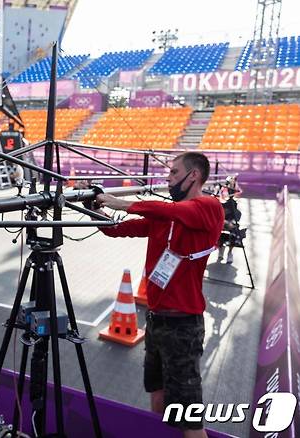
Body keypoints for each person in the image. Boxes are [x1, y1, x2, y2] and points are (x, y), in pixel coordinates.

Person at [94, 152, 224, 438]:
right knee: (158, 397)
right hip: (156, 322)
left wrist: (124, 203)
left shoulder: (208, 207)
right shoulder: (166, 216)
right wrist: (94, 211)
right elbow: (117, 230)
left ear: (194, 176)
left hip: (183, 326)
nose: (168, 179)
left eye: (174, 173)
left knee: (189, 418)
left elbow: (174, 211)